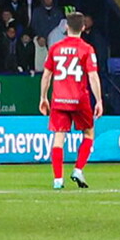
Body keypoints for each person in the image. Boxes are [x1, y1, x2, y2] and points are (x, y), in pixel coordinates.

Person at [38, 12, 102, 190]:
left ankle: (58, 179)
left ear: (66, 27)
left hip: (59, 99)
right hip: (79, 99)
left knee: (59, 138)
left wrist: (43, 98)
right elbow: (93, 76)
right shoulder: (87, 49)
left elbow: (46, 76)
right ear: (83, 28)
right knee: (88, 134)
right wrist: (99, 101)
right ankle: (78, 169)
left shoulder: (55, 48)